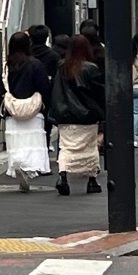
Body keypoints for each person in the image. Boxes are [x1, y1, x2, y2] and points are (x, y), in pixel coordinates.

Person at [0, 31, 51, 192]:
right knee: (33, 143)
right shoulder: (36, 64)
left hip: (13, 112)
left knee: (17, 144)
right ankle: (29, 169)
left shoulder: (8, 66)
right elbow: (44, 88)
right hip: (33, 112)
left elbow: (1, 91)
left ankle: (19, 165)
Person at [48, 34, 105, 196]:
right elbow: (99, 93)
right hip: (88, 116)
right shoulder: (91, 68)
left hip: (65, 115)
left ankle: (63, 176)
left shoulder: (62, 67)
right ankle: (92, 180)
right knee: (90, 147)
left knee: (66, 147)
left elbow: (55, 90)